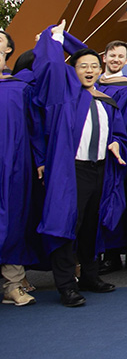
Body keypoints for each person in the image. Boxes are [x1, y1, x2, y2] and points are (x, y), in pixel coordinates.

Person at [32, 22, 127, 306]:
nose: (89, 70)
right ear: (73, 71)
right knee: (67, 226)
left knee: (91, 226)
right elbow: (52, 67)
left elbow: (120, 133)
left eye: (93, 66)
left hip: (100, 169)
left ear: (101, 70)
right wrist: (58, 38)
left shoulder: (107, 100)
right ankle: (65, 284)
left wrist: (116, 143)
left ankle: (89, 275)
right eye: (82, 66)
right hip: (71, 171)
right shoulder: (66, 97)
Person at [95, 40, 127, 275]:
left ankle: (112, 255)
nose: (116, 59)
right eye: (112, 55)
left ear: (126, 60)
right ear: (104, 57)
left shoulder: (126, 90)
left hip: (114, 154)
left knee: (111, 199)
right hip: (90, 154)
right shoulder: (93, 83)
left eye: (120, 56)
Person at [0, 29, 37, 306]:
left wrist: (42, 160)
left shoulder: (19, 87)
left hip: (13, 165)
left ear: (9, 49)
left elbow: (36, 129)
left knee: (12, 219)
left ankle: (13, 284)